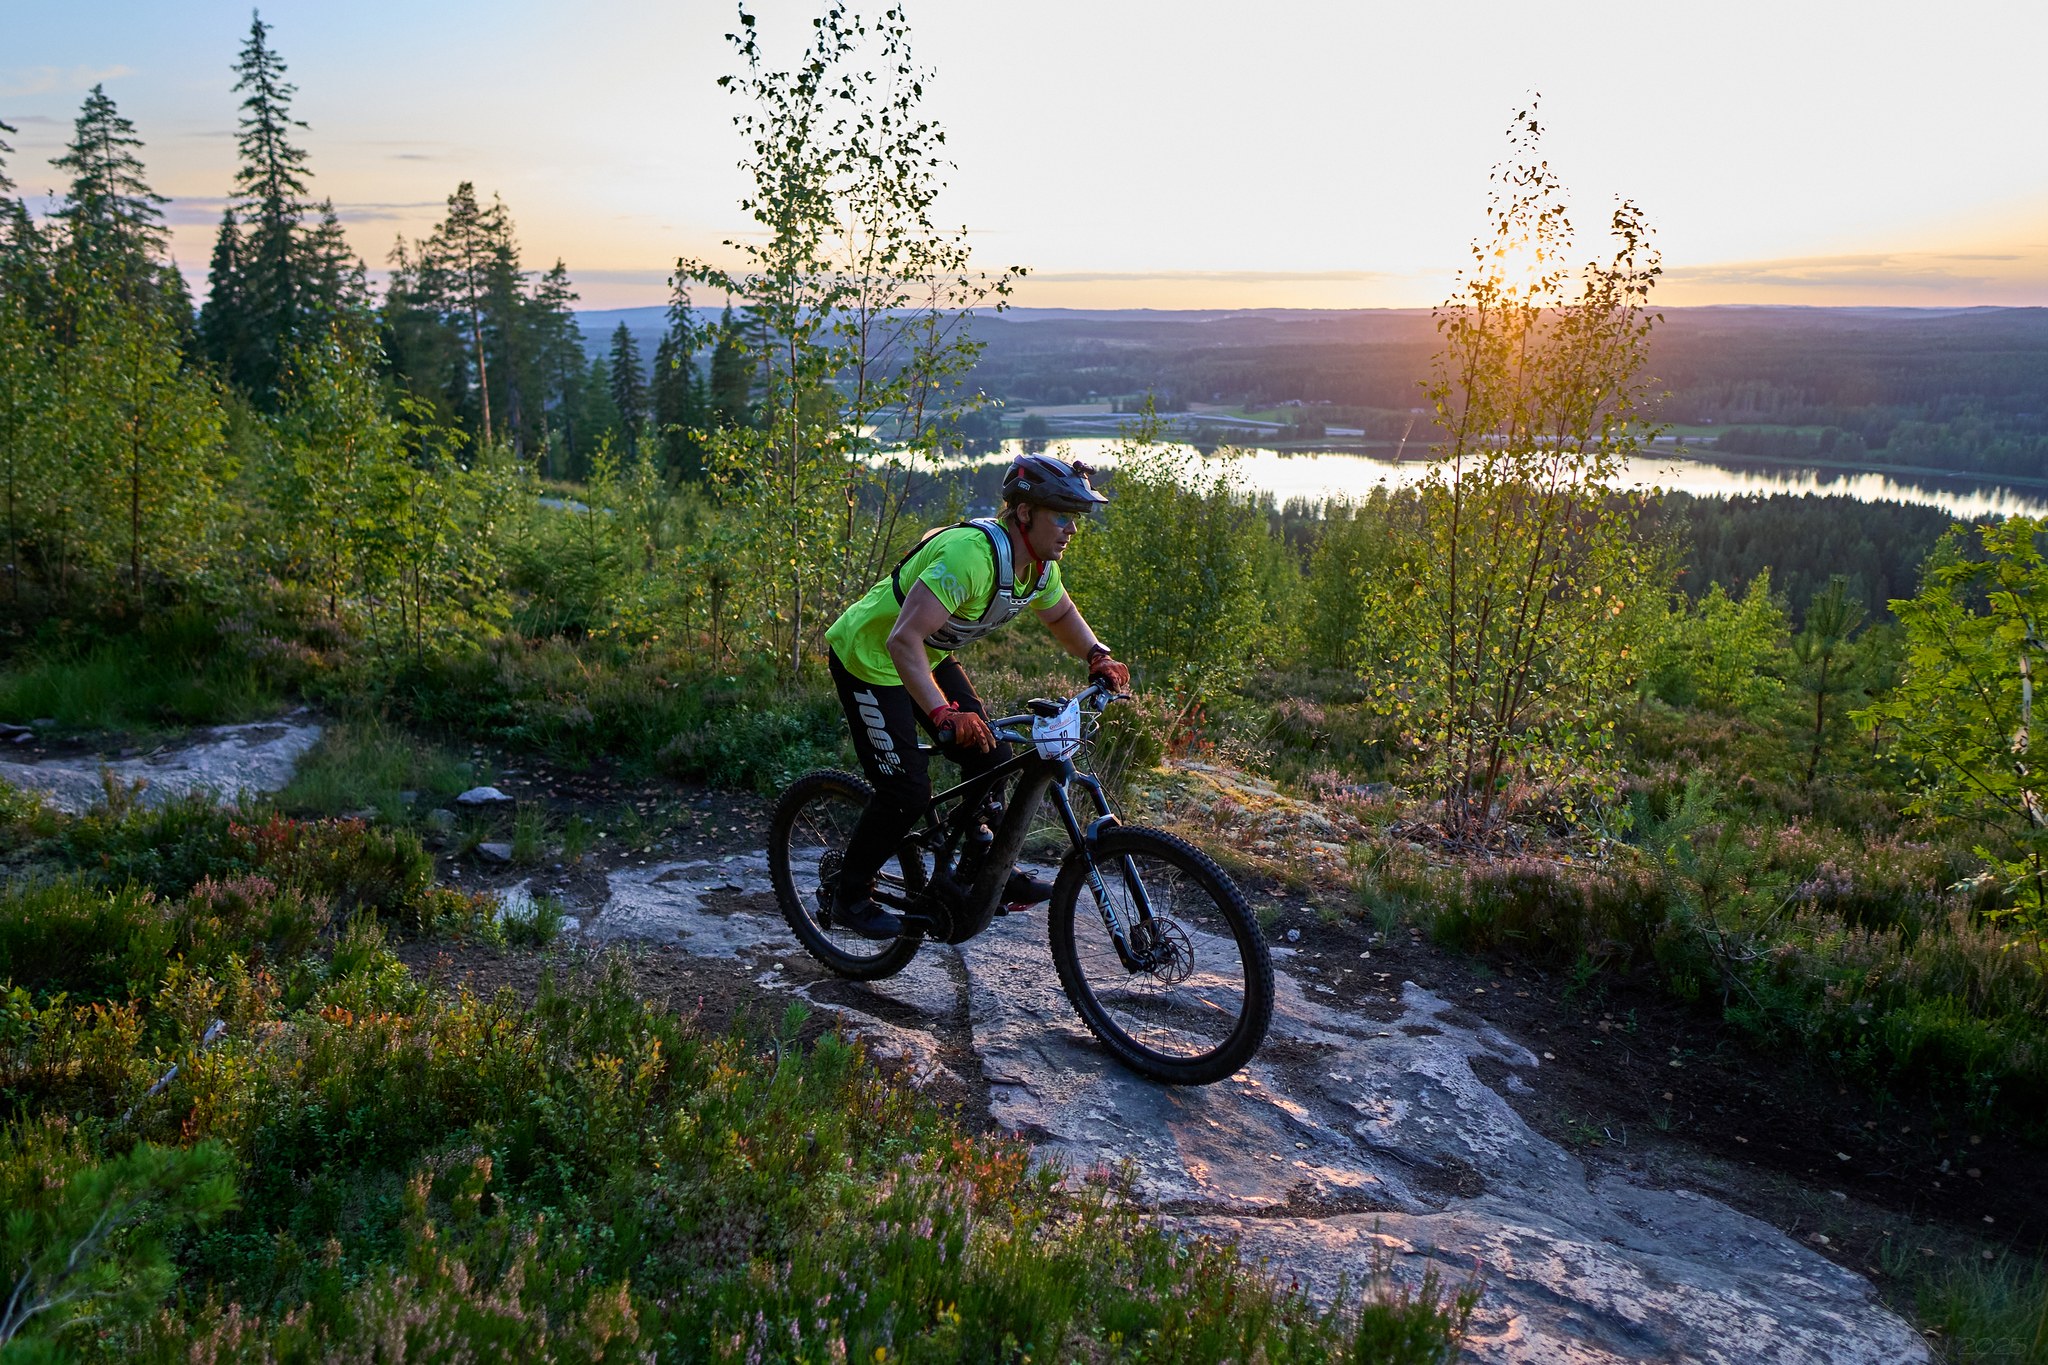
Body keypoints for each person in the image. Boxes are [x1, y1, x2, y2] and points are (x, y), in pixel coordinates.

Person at [821, 454, 1133, 939]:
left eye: (1075, 518)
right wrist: (944, 712)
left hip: (925, 653)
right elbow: (900, 640)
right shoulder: (972, 557)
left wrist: (1096, 655)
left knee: (992, 754)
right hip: (870, 655)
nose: (1071, 529)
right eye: (1062, 516)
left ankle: (980, 868)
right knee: (906, 791)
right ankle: (850, 895)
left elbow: (1061, 616)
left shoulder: (1038, 567)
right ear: (1025, 512)